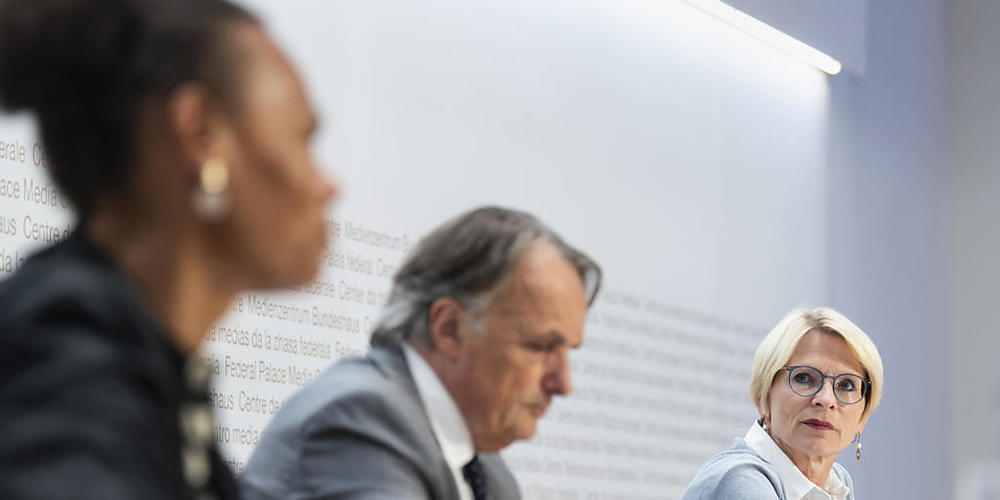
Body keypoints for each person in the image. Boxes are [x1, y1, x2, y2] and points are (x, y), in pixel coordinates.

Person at [0, 0, 337, 498]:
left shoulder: (145, 367)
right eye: (302, 137)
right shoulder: (68, 355)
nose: (328, 185)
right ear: (198, 132)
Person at [239, 206, 602, 500]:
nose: (563, 383)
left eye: (568, 352)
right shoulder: (361, 420)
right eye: (540, 347)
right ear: (450, 329)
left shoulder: (490, 475)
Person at [681, 307, 884, 500]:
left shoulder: (836, 483)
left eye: (846, 385)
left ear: (863, 417)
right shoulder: (739, 479)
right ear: (763, 398)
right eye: (803, 378)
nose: (826, 399)